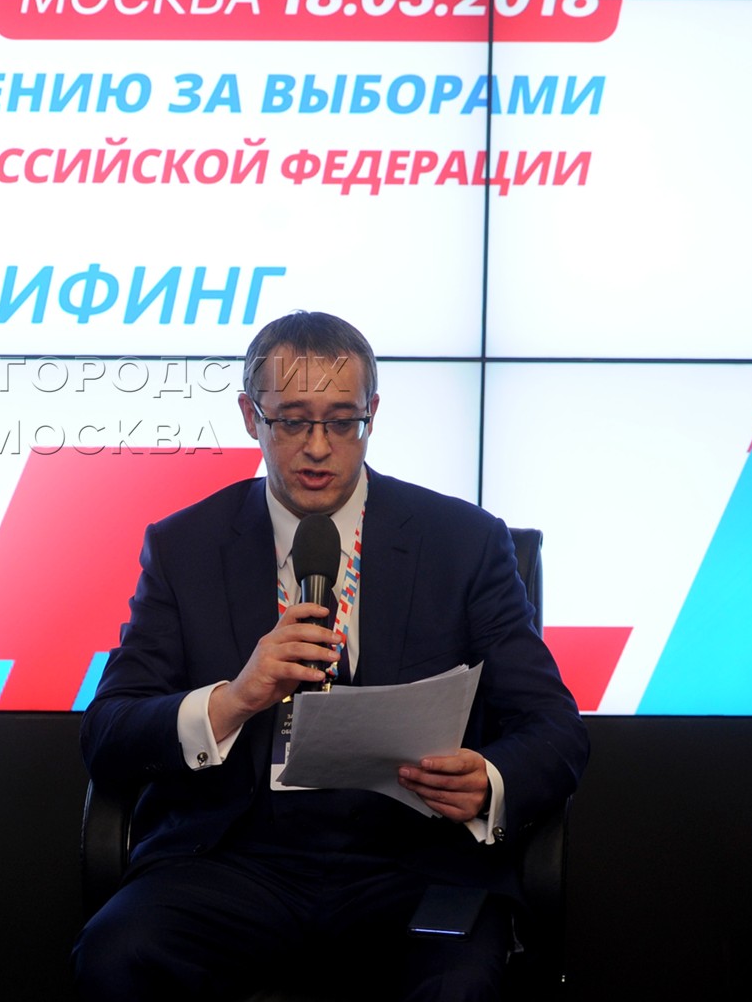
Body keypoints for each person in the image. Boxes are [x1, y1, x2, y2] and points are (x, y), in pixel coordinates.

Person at [73, 311, 587, 1001]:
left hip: (411, 861)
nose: (317, 448)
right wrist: (234, 700)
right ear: (251, 417)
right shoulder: (185, 547)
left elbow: (554, 728)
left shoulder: (462, 543)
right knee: (118, 955)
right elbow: (108, 733)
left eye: (342, 422)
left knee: (460, 983)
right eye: (291, 421)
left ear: (371, 414)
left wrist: (489, 780)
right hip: (232, 861)